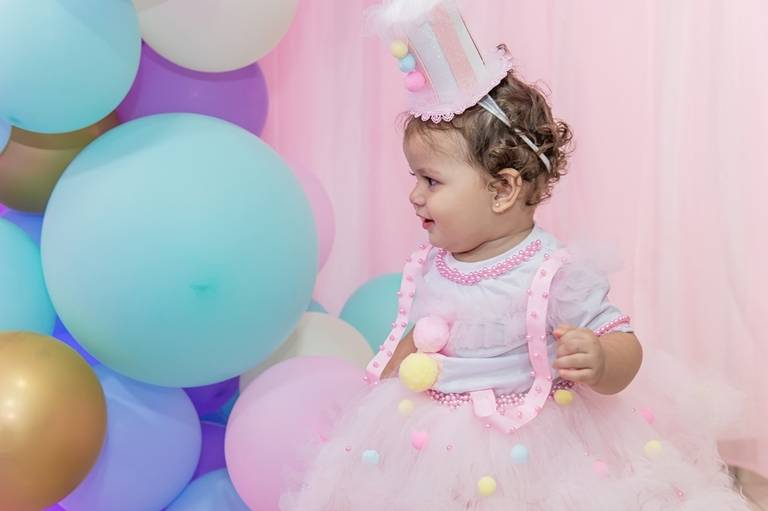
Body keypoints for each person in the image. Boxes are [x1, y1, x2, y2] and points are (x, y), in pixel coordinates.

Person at [280, 1, 752, 509]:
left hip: (531, 443)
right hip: (432, 437)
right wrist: (380, 393)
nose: (414, 195)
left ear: (503, 189)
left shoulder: (551, 273)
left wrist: (599, 358)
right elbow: (422, 335)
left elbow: (623, 343)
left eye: (431, 181)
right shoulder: (435, 262)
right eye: (414, 178)